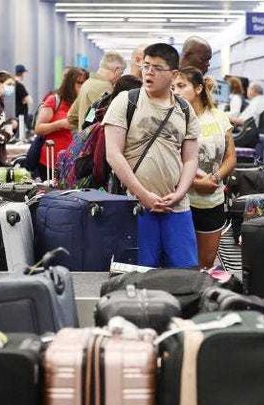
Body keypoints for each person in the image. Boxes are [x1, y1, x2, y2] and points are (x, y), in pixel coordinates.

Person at [104, 43, 200, 268]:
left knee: (185, 276)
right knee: (139, 277)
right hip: (135, 206)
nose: (149, 72)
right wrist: (143, 194)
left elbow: (191, 159)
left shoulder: (185, 110)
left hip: (176, 208)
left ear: (174, 74)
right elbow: (113, 154)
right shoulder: (127, 101)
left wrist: (179, 193)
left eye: (157, 68)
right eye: (146, 66)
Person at [174, 67, 236, 269]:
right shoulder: (174, 119)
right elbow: (170, 160)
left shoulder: (219, 117)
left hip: (213, 200)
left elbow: (230, 156)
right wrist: (194, 182)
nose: (175, 91)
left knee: (206, 264)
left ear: (199, 88)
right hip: (182, 201)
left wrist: (215, 178)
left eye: (181, 86)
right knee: (183, 264)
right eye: (173, 87)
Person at [33, 66, 87, 180]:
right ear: (69, 83)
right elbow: (38, 128)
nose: (82, 87)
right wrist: (59, 124)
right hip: (51, 161)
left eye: (85, 83)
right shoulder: (55, 100)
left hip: (76, 162)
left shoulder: (85, 103)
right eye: (79, 83)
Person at [67, 51, 126, 130]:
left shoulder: (87, 83)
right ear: (116, 70)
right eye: (121, 74)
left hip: (85, 140)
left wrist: (83, 129)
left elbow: (71, 116)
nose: (119, 78)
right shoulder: (105, 88)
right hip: (97, 141)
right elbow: (111, 121)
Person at [14, 64, 32, 129]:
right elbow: (30, 101)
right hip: (21, 117)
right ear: (21, 74)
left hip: (14, 115)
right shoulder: (19, 86)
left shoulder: (11, 85)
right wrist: (24, 100)